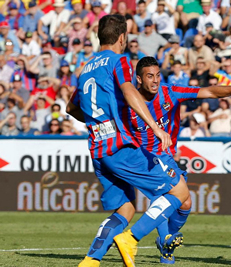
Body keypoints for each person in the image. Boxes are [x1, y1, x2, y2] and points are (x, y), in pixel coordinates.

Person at [68, 15, 189, 267]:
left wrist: (97, 121)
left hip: (98, 149)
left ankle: (91, 260)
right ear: (122, 38)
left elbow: (71, 107)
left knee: (125, 209)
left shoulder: (85, 67)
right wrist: (155, 127)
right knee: (179, 190)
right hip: (120, 146)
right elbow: (129, 89)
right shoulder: (118, 60)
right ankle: (131, 239)